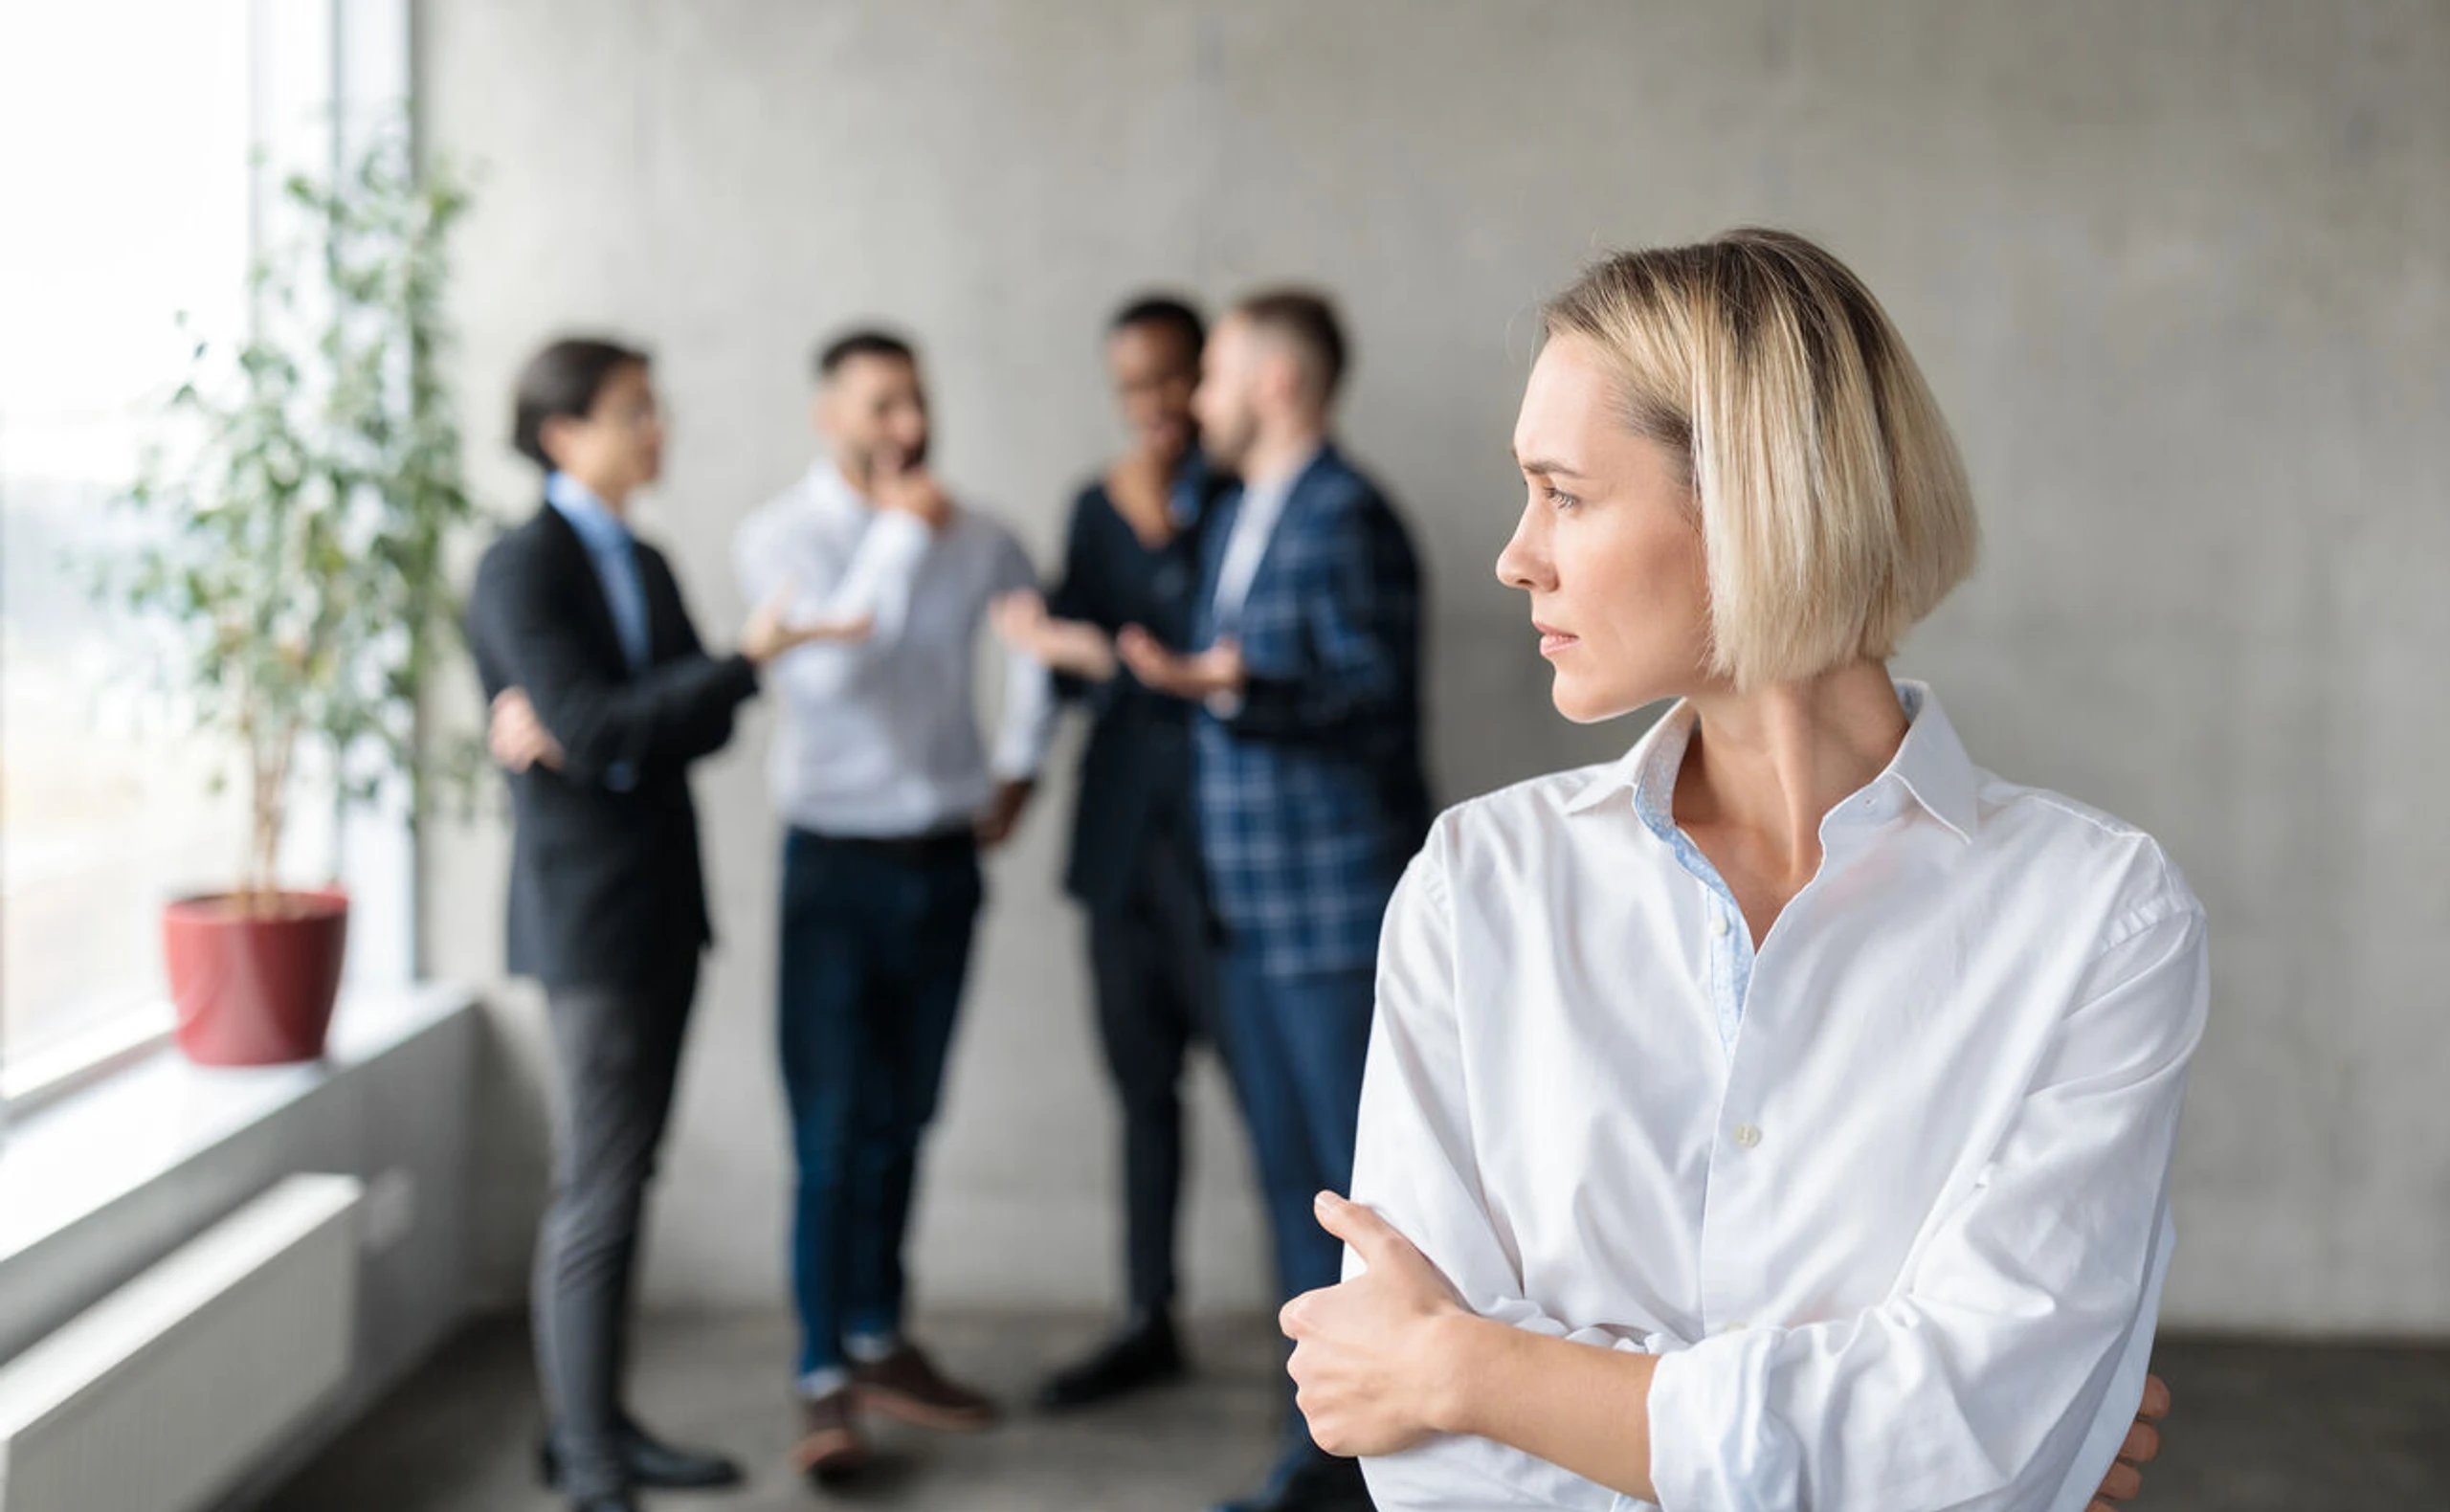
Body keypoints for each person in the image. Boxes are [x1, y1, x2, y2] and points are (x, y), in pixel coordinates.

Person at [1277, 230, 2194, 1512]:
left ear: (1753, 500)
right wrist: (1914, 1455)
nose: (1515, 554)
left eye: (1567, 493)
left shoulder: (2101, 916)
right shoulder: (1477, 886)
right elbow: (1438, 1477)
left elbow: (1977, 1432)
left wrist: (1472, 1368)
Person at [467, 337, 861, 1512]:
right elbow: (604, 725)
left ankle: (595, 1424)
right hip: (588, 917)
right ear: (561, 432)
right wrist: (710, 677)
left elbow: (684, 727)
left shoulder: (639, 555)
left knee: (627, 1171)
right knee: (596, 1183)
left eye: (655, 408)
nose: (658, 429)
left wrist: (633, 719)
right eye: (634, 411)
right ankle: (588, 1464)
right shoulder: (519, 566)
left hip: (658, 908)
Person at [1108, 290, 1430, 1512]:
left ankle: (1372, 1463)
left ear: (1278, 382)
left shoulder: (1350, 515)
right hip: (1242, 913)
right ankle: (1327, 1450)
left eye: (1214, 376)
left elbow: (1371, 699)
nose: (1191, 401)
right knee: (1295, 1192)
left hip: (1333, 914)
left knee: (1364, 1204)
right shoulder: (1244, 506)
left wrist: (1236, 685)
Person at [732, 327, 1055, 1484]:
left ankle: (878, 1335)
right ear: (829, 415)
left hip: (941, 864)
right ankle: (823, 1368)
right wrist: (898, 544)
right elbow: (823, 675)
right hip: (832, 866)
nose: (906, 428)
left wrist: (1019, 767)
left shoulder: (982, 535)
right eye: (879, 406)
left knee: (905, 1115)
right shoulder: (780, 539)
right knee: (830, 1127)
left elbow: (1035, 646)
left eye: (915, 403)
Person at [991, 294, 1230, 1410]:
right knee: (1140, 1095)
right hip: (1122, 847)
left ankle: (1323, 1340)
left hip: (1231, 854)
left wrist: (1106, 647)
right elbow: (1062, 659)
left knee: (1284, 1105)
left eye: (1172, 378)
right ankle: (1147, 1314)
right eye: (1132, 385)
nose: (1155, 406)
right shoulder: (1094, 504)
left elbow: (1218, 658)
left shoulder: (1243, 493)